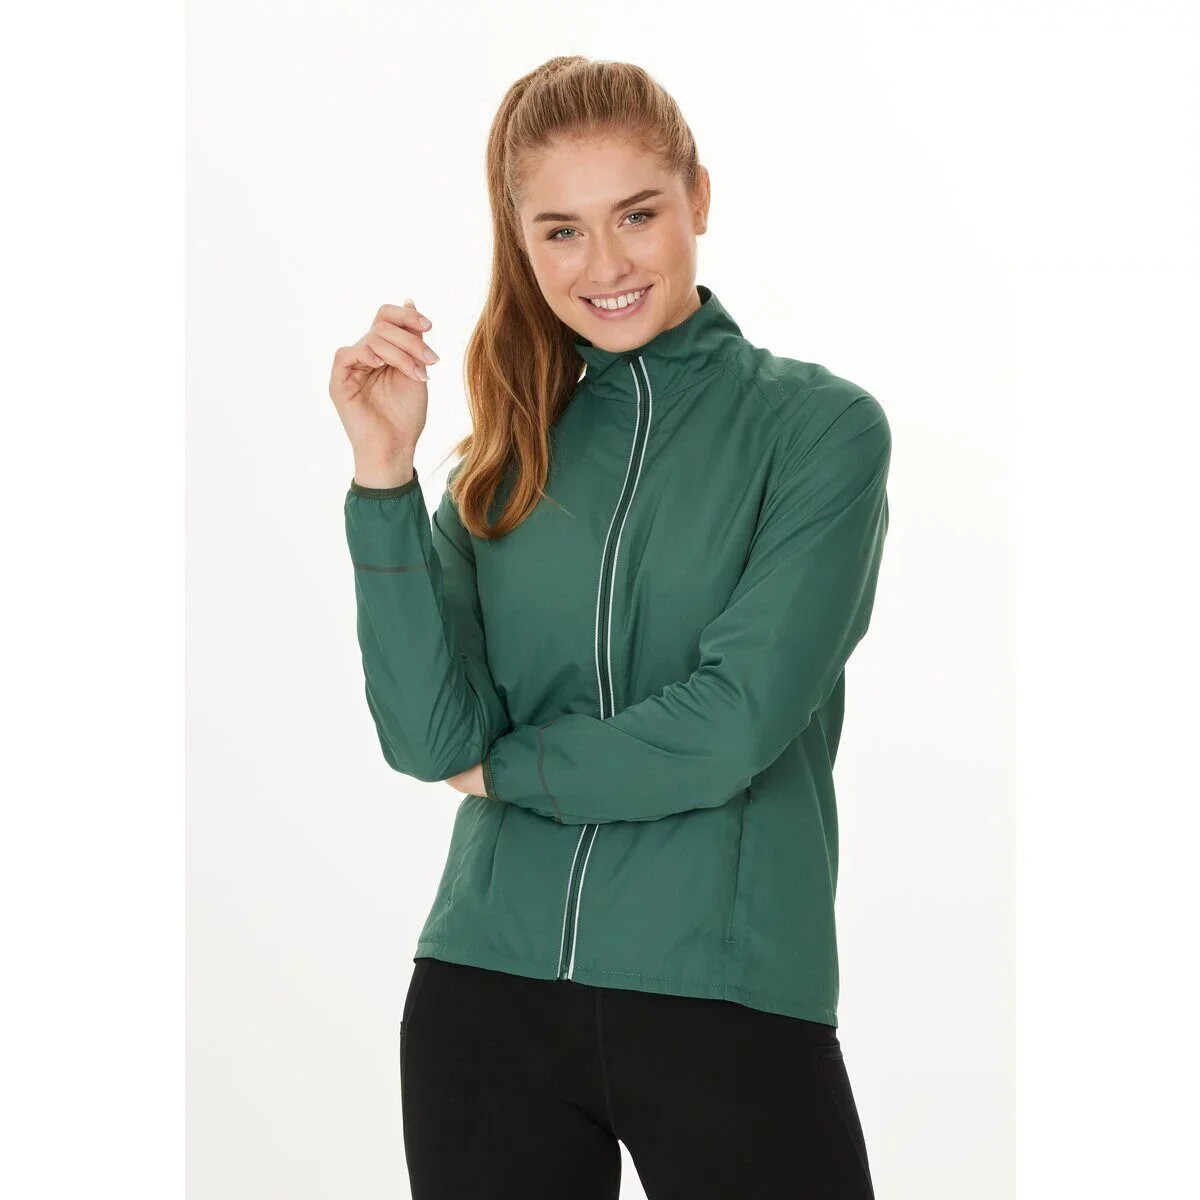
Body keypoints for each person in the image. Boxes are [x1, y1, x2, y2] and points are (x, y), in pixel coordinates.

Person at [329, 55, 889, 1200]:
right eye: (562, 232)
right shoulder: (505, 456)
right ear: (523, 243)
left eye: (636, 214)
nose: (607, 265)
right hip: (484, 996)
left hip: (727, 998)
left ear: (699, 198)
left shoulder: (820, 432)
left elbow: (731, 726)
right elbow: (430, 739)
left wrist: (512, 769)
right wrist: (382, 475)